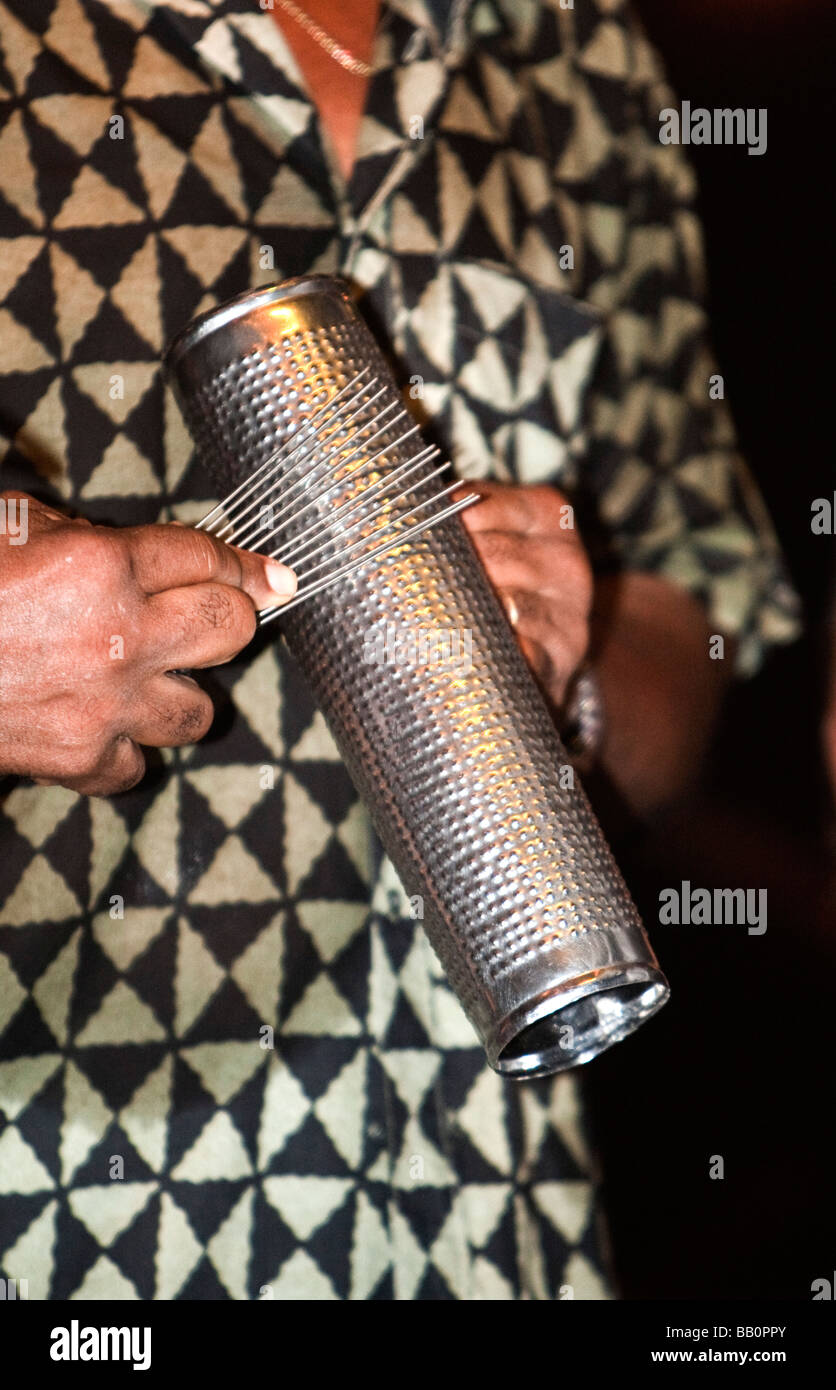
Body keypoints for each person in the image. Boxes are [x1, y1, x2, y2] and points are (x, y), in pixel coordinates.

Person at [0, 0, 799, 1300]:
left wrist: (562, 692)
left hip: (500, 1223)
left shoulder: (579, 51)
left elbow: (694, 605)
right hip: (81, 1210)